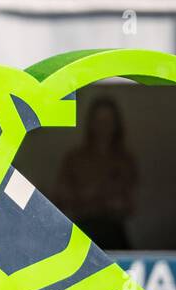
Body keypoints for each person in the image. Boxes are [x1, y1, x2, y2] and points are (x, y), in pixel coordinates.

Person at [53, 96, 138, 251]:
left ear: (116, 125)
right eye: (99, 120)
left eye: (108, 121)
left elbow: (129, 204)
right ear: (91, 123)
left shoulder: (124, 160)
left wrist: (105, 199)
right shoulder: (74, 158)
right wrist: (86, 197)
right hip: (82, 231)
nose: (103, 126)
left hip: (114, 233)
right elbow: (60, 198)